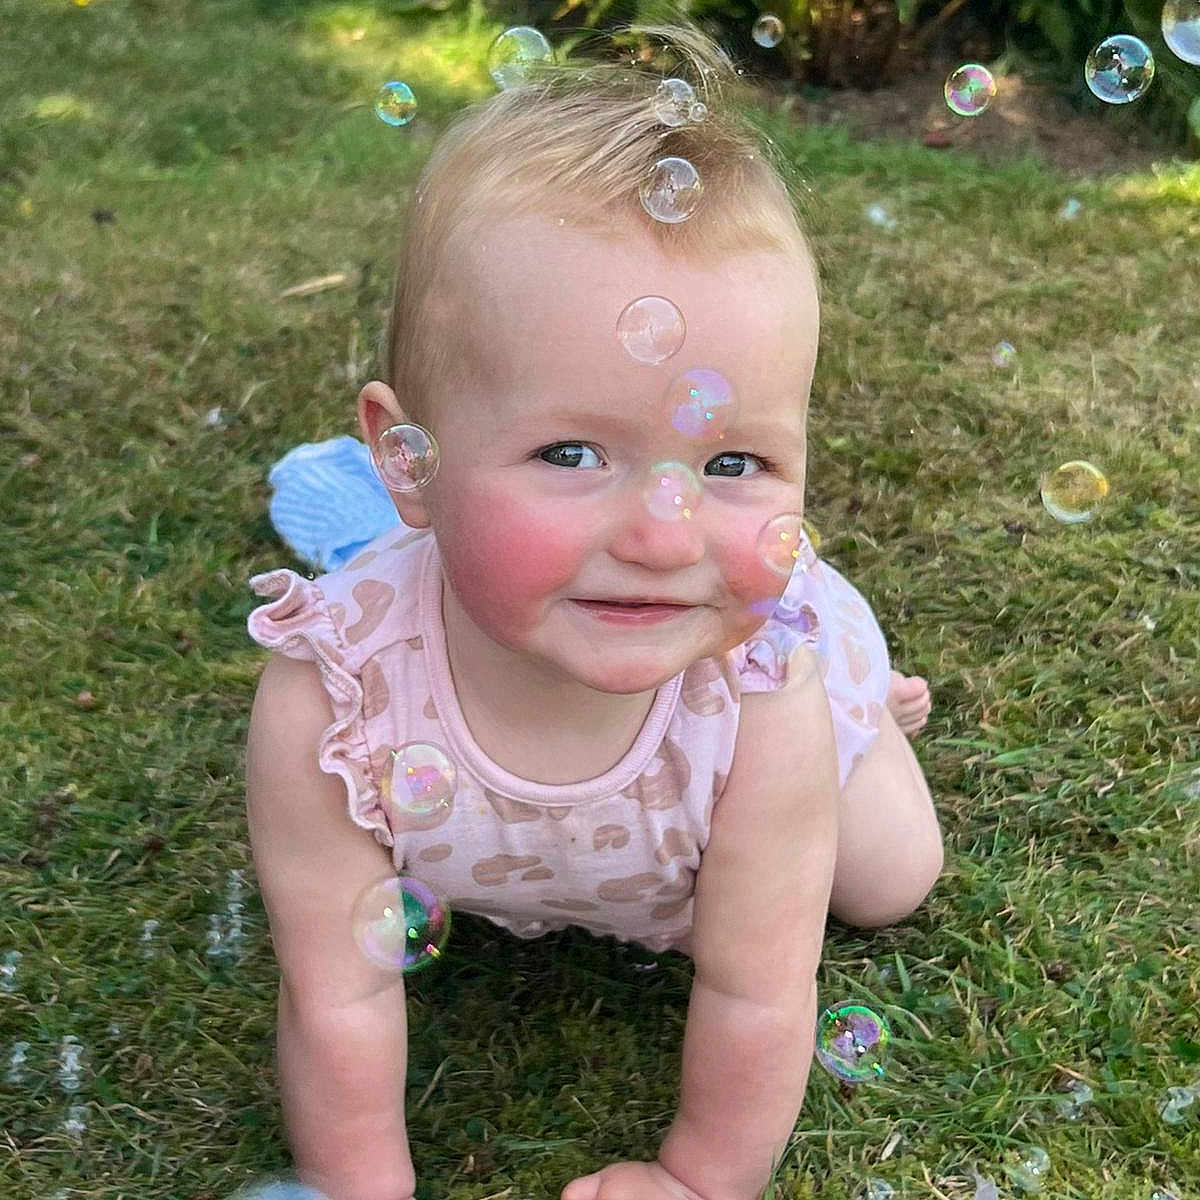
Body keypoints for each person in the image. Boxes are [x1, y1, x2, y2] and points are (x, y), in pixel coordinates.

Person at [244, 27, 942, 1200]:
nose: (664, 536)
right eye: (572, 451)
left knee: (889, 880)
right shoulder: (336, 696)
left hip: (779, 731)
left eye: (733, 464)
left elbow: (757, 987)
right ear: (407, 460)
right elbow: (337, 984)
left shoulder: (757, 695)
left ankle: (873, 709)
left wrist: (698, 1178)